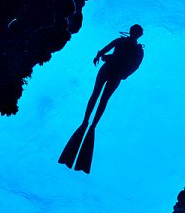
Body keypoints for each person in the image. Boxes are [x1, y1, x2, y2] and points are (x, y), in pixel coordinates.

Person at [59, 25, 144, 173]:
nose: (134, 34)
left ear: (139, 34)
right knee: (98, 95)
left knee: (102, 98)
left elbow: (134, 66)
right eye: (134, 31)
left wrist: (104, 58)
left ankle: (91, 123)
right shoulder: (124, 43)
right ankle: (88, 122)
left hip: (114, 72)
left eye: (136, 32)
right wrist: (100, 55)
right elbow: (107, 50)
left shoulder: (136, 49)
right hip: (111, 70)